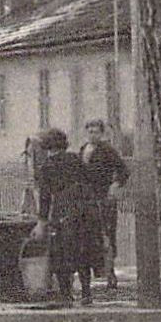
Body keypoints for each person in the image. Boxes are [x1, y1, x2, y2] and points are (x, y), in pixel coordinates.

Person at [32, 128, 104, 305]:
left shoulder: (47, 166)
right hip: (84, 210)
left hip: (63, 211)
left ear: (46, 146)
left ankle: (66, 295)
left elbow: (45, 197)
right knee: (83, 251)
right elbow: (90, 181)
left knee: (61, 253)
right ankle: (86, 293)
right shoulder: (75, 159)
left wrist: (41, 222)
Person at [78, 119, 131, 290]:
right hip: (87, 199)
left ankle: (110, 273)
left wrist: (114, 185)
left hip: (103, 198)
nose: (92, 135)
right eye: (90, 131)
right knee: (89, 235)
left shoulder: (107, 150)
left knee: (106, 234)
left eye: (96, 132)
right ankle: (95, 271)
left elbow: (123, 170)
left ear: (101, 134)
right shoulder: (83, 150)